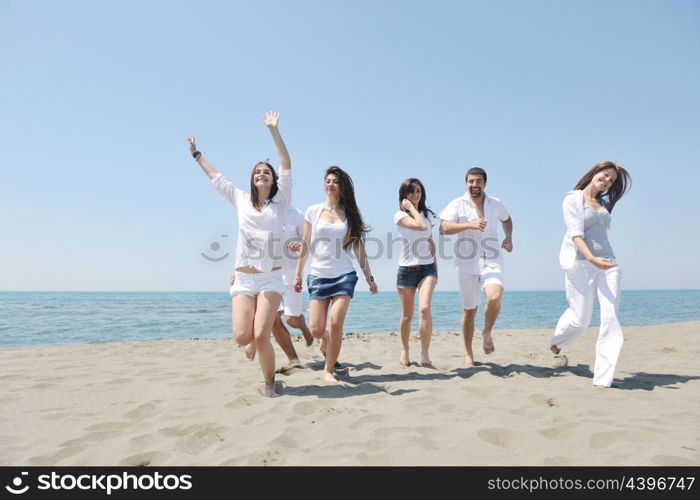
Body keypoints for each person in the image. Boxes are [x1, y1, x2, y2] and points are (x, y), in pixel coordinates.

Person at [188, 111, 292, 398]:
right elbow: (216, 177)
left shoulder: (280, 202)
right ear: (252, 178)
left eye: (266, 172)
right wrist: (197, 155)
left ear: (272, 180)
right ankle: (257, 334)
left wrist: (273, 131)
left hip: (271, 279)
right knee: (243, 336)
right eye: (257, 171)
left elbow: (285, 163)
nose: (262, 174)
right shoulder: (240, 199)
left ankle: (271, 384)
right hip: (244, 280)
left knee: (261, 336)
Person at [294, 166, 379, 385]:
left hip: (344, 275)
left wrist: (370, 278)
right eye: (328, 181)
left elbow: (359, 250)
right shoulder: (313, 211)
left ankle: (329, 369)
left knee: (335, 322)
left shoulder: (350, 215)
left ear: (342, 187)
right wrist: (297, 275)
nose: (330, 184)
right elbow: (305, 244)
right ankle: (326, 342)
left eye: (335, 181)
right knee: (316, 329)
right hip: (318, 275)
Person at [551, 161, 631, 388]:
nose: (607, 181)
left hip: (608, 265)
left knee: (610, 317)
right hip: (580, 266)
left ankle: (603, 378)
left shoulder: (602, 203)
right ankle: (557, 341)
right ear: (594, 173)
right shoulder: (572, 199)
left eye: (611, 180)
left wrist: (601, 261)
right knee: (581, 319)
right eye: (605, 175)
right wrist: (591, 258)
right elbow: (576, 235)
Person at [439, 167, 513, 366]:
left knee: (494, 297)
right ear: (466, 183)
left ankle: (487, 331)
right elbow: (443, 228)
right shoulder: (457, 203)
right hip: (466, 262)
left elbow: (507, 220)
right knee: (469, 311)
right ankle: (469, 354)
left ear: (485, 183)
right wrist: (469, 225)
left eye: (478, 181)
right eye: (471, 181)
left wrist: (509, 237)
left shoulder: (496, 203)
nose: (474, 185)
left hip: (492, 258)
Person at [394, 178, 438, 367]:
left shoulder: (427, 215)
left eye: (418, 191)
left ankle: (425, 354)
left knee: (424, 309)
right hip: (406, 270)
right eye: (411, 192)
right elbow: (420, 226)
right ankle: (405, 349)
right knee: (407, 316)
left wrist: (436, 266)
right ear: (404, 196)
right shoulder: (399, 216)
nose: (416, 195)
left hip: (427, 268)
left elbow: (429, 240)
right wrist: (410, 208)